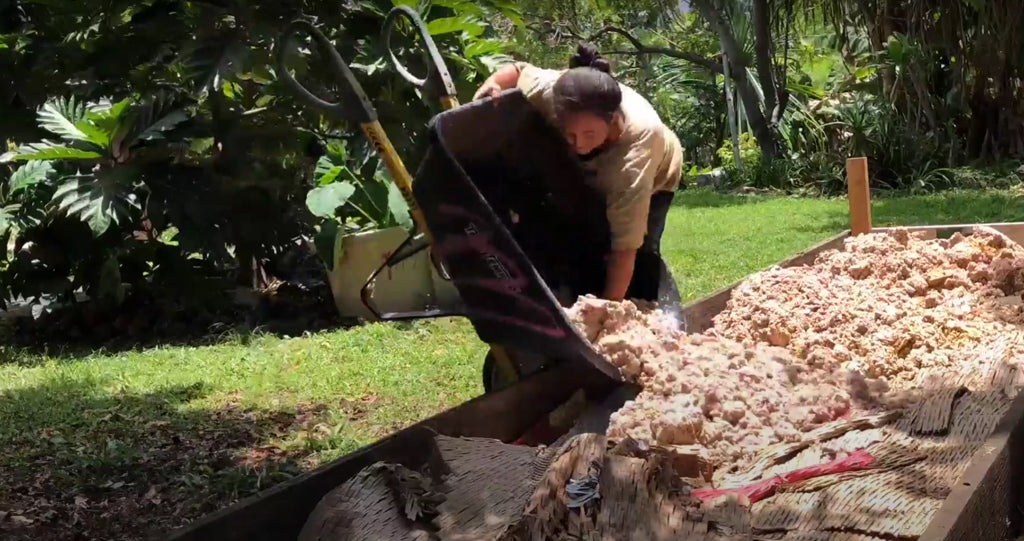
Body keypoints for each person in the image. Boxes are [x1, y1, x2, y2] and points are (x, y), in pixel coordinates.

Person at [473, 44, 684, 303]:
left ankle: (645, 304)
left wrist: (607, 312)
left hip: (659, 175)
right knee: (584, 233)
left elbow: (625, 248)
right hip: (593, 170)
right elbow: (519, 71)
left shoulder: (635, 156)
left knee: (640, 253)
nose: (579, 144)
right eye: (570, 134)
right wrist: (493, 83)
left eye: (589, 135)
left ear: (613, 119)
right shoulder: (554, 91)